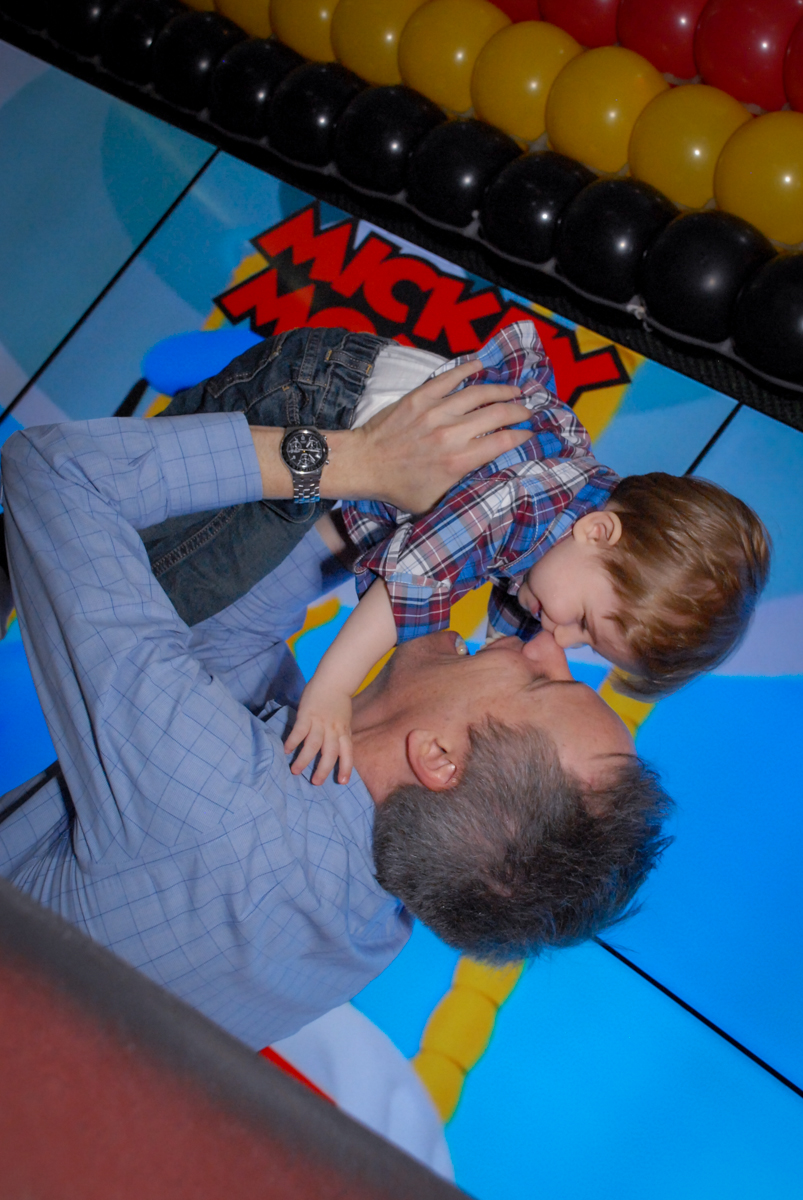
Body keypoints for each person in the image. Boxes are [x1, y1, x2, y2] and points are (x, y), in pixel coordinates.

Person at [0, 356, 671, 1049]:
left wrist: (351, 462)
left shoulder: (225, 809)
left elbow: (54, 472)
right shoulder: (365, 930)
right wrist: (370, 525)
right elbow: (221, 649)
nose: (546, 646)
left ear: (438, 758)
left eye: (543, 683)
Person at [136, 323, 769, 788]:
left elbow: (506, 628)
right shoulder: (524, 501)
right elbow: (411, 579)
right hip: (314, 396)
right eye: (584, 623)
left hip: (335, 456)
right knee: (179, 579)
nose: (562, 639)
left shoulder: (570, 530)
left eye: (587, 647)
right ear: (600, 533)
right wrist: (330, 690)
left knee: (216, 554)